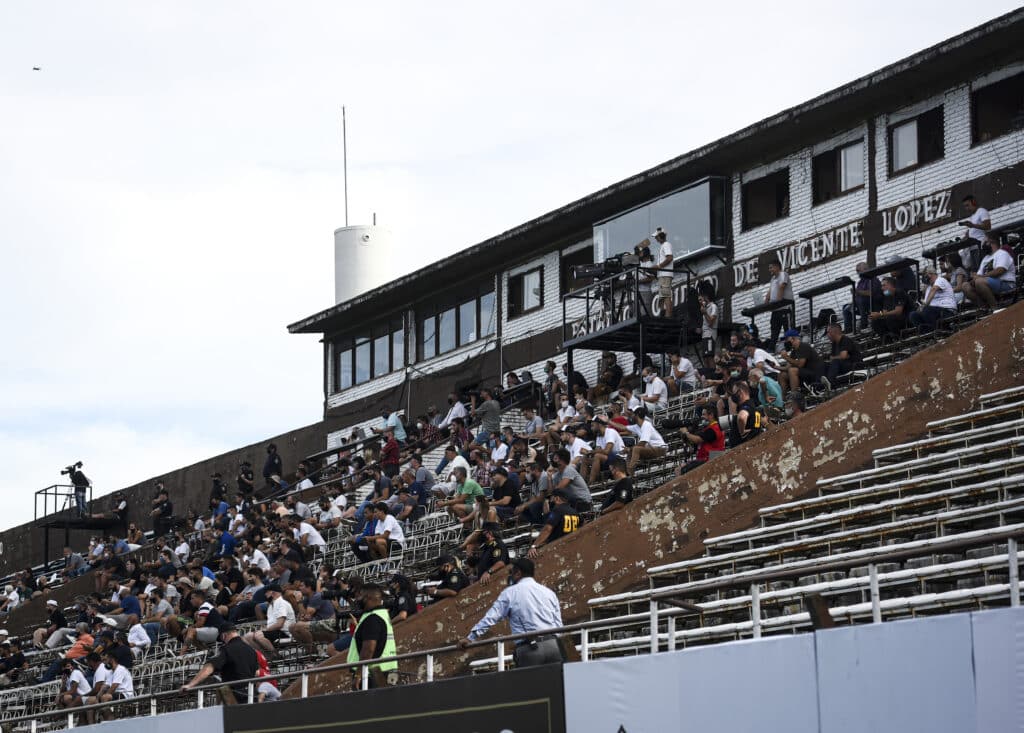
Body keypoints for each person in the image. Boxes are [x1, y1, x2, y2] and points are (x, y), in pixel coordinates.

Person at [459, 558, 564, 668]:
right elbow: (558, 624)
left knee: (531, 684)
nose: (510, 575)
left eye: (512, 572)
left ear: (518, 573)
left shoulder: (510, 593)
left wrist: (470, 637)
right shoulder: (549, 592)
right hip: (554, 646)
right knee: (557, 684)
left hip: (530, 648)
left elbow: (491, 617)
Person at [182, 624, 259, 705]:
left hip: (234, 698)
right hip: (252, 696)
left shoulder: (226, 649)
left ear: (223, 635)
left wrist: (190, 684)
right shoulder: (251, 650)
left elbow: (209, 667)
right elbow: (257, 673)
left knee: (222, 687)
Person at [346, 584, 396, 689]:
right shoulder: (381, 614)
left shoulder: (372, 619)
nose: (357, 599)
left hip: (370, 675)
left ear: (368, 597)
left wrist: (359, 674)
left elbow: (368, 649)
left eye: (359, 596)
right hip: (382, 672)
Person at [962, 235, 1017, 309]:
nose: (983, 246)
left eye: (984, 243)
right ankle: (984, 309)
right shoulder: (986, 258)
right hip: (989, 283)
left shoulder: (1002, 253)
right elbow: (978, 275)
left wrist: (981, 277)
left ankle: (994, 308)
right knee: (965, 286)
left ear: (992, 242)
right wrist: (974, 277)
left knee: (979, 281)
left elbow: (999, 270)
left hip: (1006, 283)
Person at [528, 490, 580, 557]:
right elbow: (583, 525)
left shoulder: (557, 510)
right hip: (571, 545)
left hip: (556, 547)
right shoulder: (575, 512)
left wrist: (534, 546)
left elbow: (547, 529)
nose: (551, 501)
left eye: (552, 498)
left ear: (557, 498)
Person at [677, 406, 726, 474]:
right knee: (680, 468)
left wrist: (686, 433)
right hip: (706, 458)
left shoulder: (714, 428)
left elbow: (698, 440)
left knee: (680, 470)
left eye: (704, 414)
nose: (701, 417)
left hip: (710, 459)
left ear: (711, 415)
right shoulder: (709, 428)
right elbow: (694, 443)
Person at [910, 266, 957, 333]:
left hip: (946, 311)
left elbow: (934, 289)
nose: (923, 277)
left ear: (930, 274)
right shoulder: (929, 287)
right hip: (932, 313)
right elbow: (925, 303)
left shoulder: (940, 280)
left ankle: (938, 330)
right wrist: (920, 309)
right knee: (913, 315)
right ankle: (928, 333)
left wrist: (925, 306)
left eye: (924, 274)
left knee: (927, 309)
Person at [778, 329, 826, 394]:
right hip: (805, 373)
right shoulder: (794, 351)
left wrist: (786, 357)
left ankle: (794, 396)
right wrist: (774, 366)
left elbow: (800, 364)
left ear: (793, 338)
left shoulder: (803, 346)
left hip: (814, 373)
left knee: (792, 370)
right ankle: (782, 399)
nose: (786, 341)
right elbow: (787, 367)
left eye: (787, 339)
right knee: (782, 375)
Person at [626, 408, 668, 475]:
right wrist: (608, 422)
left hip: (660, 449)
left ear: (637, 416)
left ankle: (631, 471)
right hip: (652, 449)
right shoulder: (637, 426)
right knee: (630, 453)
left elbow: (643, 443)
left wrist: (630, 448)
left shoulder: (646, 425)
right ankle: (628, 474)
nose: (631, 416)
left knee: (636, 449)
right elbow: (622, 427)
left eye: (633, 414)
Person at [843, 262, 882, 333]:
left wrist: (857, 291)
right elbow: (857, 294)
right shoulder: (860, 282)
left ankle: (864, 325)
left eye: (858, 270)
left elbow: (871, 293)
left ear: (865, 269)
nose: (857, 273)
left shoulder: (873, 279)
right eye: (856, 271)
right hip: (861, 305)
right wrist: (854, 298)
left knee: (861, 300)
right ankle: (849, 329)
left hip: (873, 304)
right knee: (846, 307)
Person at [957, 194, 990, 271]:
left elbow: (988, 226)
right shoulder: (972, 216)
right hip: (972, 247)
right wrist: (967, 235)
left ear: (974, 202)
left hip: (981, 245)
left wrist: (972, 225)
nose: (966, 208)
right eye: (965, 206)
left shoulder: (982, 211)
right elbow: (974, 229)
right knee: (975, 270)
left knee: (982, 269)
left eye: (968, 205)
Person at [765, 260, 793, 349]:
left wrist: (778, 302)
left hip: (785, 308)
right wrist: (766, 304)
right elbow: (769, 293)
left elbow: (782, 287)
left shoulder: (783, 274)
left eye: (771, 267)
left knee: (787, 331)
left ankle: (790, 349)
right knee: (774, 331)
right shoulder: (773, 279)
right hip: (776, 310)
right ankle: (771, 350)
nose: (770, 270)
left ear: (777, 267)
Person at [651, 227, 674, 318]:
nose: (656, 239)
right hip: (662, 275)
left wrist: (659, 266)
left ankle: (668, 316)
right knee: (663, 296)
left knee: (666, 295)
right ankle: (664, 315)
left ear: (661, 236)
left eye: (656, 237)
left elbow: (669, 258)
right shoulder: (664, 245)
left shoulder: (666, 245)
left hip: (665, 274)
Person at [698, 291, 719, 361]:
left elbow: (711, 322)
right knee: (705, 358)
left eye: (701, 299)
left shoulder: (713, 306)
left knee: (709, 356)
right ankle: (707, 372)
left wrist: (705, 313)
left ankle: (712, 371)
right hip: (704, 335)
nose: (699, 302)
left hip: (710, 335)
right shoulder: (705, 308)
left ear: (706, 298)